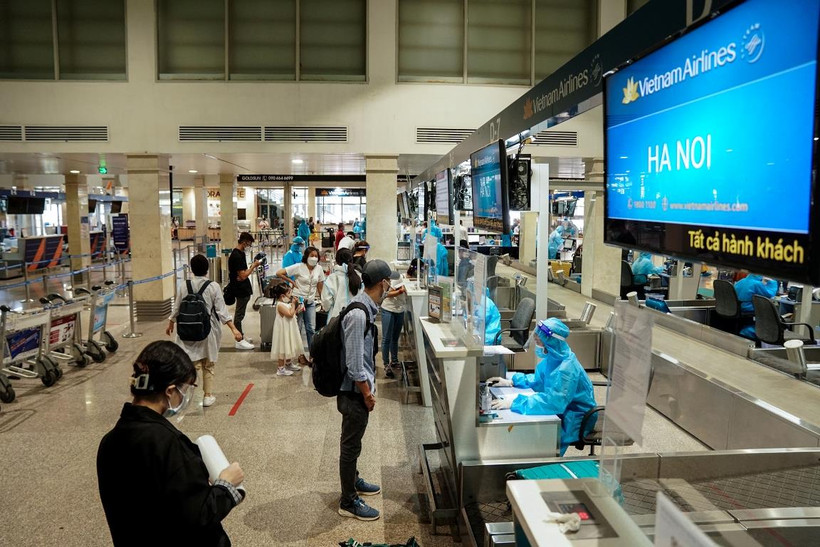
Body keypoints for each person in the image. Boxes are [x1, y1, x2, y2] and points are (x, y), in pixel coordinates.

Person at [97, 341, 245, 546]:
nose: (185, 396)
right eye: (186, 388)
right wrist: (226, 486)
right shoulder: (168, 444)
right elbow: (197, 517)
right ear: (170, 390)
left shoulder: (109, 442)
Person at [337, 259, 399, 521]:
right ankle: (348, 500)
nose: (390, 286)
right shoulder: (358, 314)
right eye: (389, 282)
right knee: (350, 446)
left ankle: (355, 480)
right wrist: (367, 393)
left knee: (355, 442)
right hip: (353, 393)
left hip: (357, 390)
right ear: (383, 283)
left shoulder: (367, 306)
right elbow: (353, 364)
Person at [487, 318, 596, 456]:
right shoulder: (554, 358)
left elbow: (553, 402)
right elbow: (539, 380)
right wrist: (512, 381)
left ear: (550, 341)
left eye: (539, 340)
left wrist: (515, 402)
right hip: (564, 410)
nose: (536, 342)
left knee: (543, 446)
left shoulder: (566, 368)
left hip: (576, 418)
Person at [166, 254, 243, 407]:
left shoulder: (184, 285)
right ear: (207, 269)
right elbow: (222, 311)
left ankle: (190, 396)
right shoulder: (213, 286)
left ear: (192, 269)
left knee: (193, 365)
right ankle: (208, 396)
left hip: (187, 330)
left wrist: (171, 322)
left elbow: (177, 307)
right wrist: (234, 329)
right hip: (208, 331)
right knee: (208, 364)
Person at [275, 246, 325, 364]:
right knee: (297, 328)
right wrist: (291, 281)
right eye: (311, 255)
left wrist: (322, 301)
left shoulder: (319, 269)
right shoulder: (299, 267)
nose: (314, 258)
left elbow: (320, 285)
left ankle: (312, 355)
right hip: (298, 301)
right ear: (306, 257)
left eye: (316, 256)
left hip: (311, 302)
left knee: (311, 329)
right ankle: (300, 355)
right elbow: (279, 273)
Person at [228, 232, 263, 350]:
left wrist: (245, 272)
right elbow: (243, 275)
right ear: (244, 242)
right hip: (240, 289)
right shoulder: (236, 256)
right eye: (248, 243)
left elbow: (242, 274)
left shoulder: (240, 254)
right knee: (239, 315)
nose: (249, 245)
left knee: (240, 314)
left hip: (243, 288)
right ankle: (239, 340)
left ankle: (241, 335)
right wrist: (253, 266)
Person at [270, 282, 305, 377]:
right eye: (289, 293)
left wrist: (297, 308)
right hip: (283, 330)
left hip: (289, 328)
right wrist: (293, 305)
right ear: (282, 295)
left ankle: (289, 363)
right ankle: (281, 368)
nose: (291, 295)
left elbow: (293, 313)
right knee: (282, 347)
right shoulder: (280, 305)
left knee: (289, 345)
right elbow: (289, 314)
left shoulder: (286, 304)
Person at [321, 248, 361, 320]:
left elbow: (326, 301)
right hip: (357, 317)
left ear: (337, 260)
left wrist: (326, 308)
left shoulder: (332, 278)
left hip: (337, 319)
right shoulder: (359, 276)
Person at [734, 272, 778, 338]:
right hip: (749, 309)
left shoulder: (740, 281)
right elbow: (770, 294)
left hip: (739, 308)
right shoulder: (756, 284)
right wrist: (772, 282)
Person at [380, 271, 407, 379]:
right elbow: (386, 294)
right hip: (388, 309)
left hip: (399, 310)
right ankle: (386, 364)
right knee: (386, 338)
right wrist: (400, 291)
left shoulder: (404, 278)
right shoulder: (394, 278)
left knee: (395, 337)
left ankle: (394, 360)